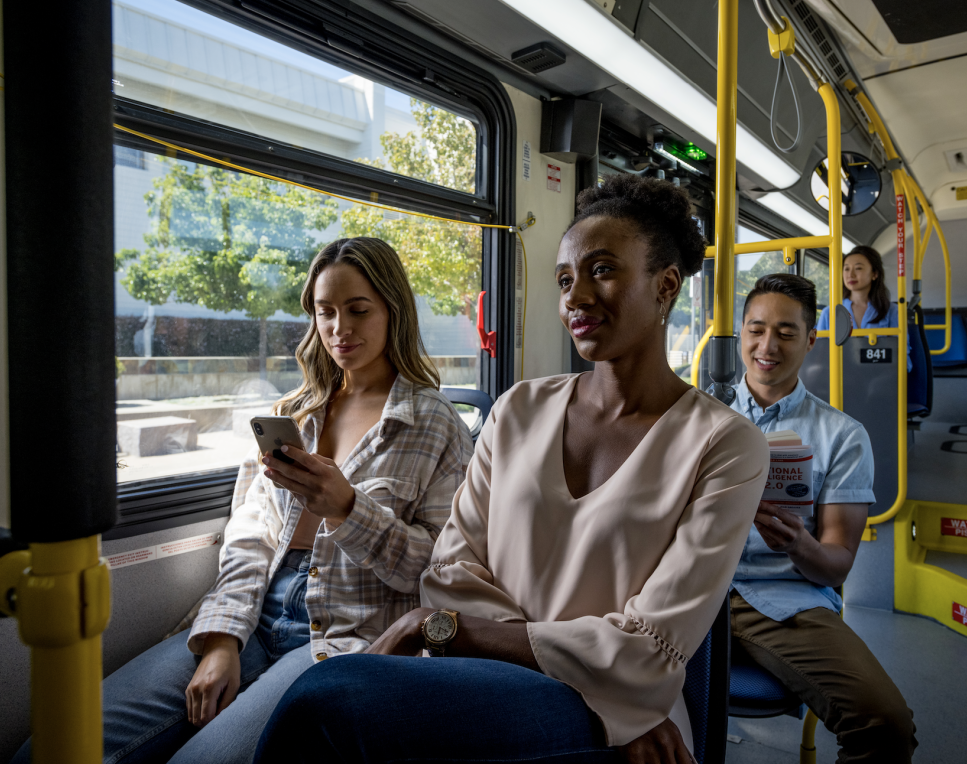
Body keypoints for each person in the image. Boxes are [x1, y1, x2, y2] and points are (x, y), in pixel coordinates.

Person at [255, 174, 770, 764]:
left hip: (610, 711)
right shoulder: (519, 409)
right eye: (564, 280)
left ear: (666, 286)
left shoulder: (726, 446)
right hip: (488, 677)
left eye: (602, 270)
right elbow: (449, 573)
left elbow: (647, 651)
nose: (575, 297)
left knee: (326, 701)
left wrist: (449, 628)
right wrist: (527, 641)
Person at [14, 238, 472, 764]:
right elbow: (250, 534)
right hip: (256, 609)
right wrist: (222, 638)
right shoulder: (296, 414)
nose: (339, 329)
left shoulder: (438, 427)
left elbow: (440, 574)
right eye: (325, 312)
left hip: (343, 636)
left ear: (394, 310)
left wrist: (347, 508)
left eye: (358, 310)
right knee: (51, 748)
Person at [730, 273, 917, 763]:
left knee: (885, 724)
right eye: (756, 329)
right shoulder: (697, 415)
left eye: (786, 333)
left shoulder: (842, 436)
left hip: (780, 596)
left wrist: (797, 543)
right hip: (685, 585)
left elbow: (835, 565)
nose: (767, 346)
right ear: (740, 331)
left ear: (811, 340)